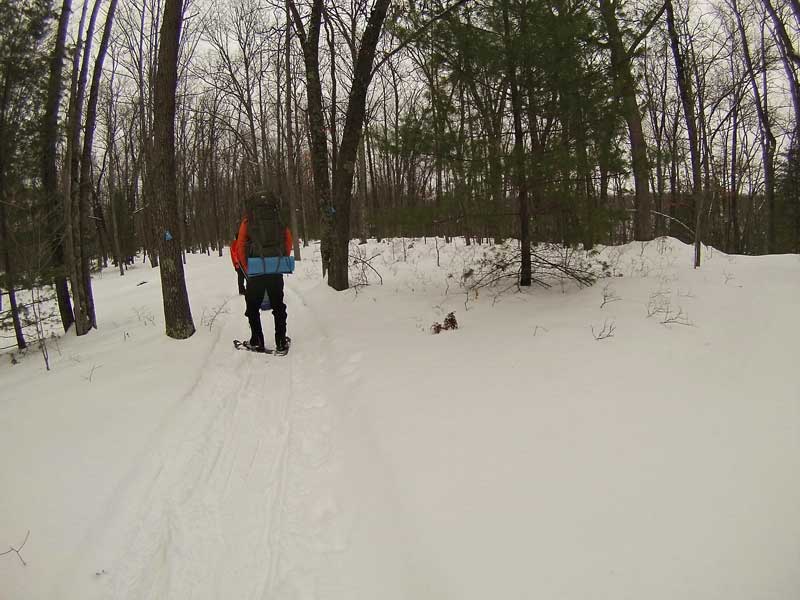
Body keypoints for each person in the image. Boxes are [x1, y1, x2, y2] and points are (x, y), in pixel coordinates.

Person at [232, 190, 294, 354]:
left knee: (252, 308)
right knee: (278, 305)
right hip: (275, 269)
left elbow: (240, 247)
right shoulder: (278, 219)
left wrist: (247, 270)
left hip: (256, 271)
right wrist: (280, 261)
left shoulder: (248, 221)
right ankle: (281, 342)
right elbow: (288, 240)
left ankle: (257, 341)